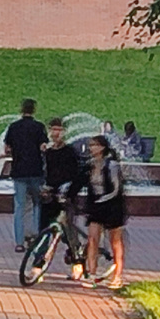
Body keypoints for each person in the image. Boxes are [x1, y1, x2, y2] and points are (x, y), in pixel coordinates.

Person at [2, 98, 48, 252]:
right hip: (36, 172)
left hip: (18, 172)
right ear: (34, 110)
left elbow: (7, 149)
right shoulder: (39, 127)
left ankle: (19, 242)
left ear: (21, 109)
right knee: (37, 205)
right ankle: (35, 235)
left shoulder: (13, 127)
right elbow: (43, 147)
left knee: (20, 207)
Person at [41, 118, 84, 279]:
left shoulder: (70, 152)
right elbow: (48, 174)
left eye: (59, 130)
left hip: (66, 195)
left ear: (64, 132)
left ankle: (77, 262)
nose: (55, 133)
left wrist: (68, 191)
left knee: (68, 230)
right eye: (53, 129)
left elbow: (76, 174)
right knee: (45, 228)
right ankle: (39, 263)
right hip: (51, 195)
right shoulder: (48, 153)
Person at [82, 134, 127, 290]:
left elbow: (116, 189)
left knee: (115, 241)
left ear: (102, 147)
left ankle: (118, 275)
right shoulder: (90, 165)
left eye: (94, 145)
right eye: (90, 145)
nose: (91, 148)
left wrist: (104, 199)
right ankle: (92, 274)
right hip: (96, 206)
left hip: (112, 206)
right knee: (92, 239)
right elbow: (81, 181)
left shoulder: (112, 165)